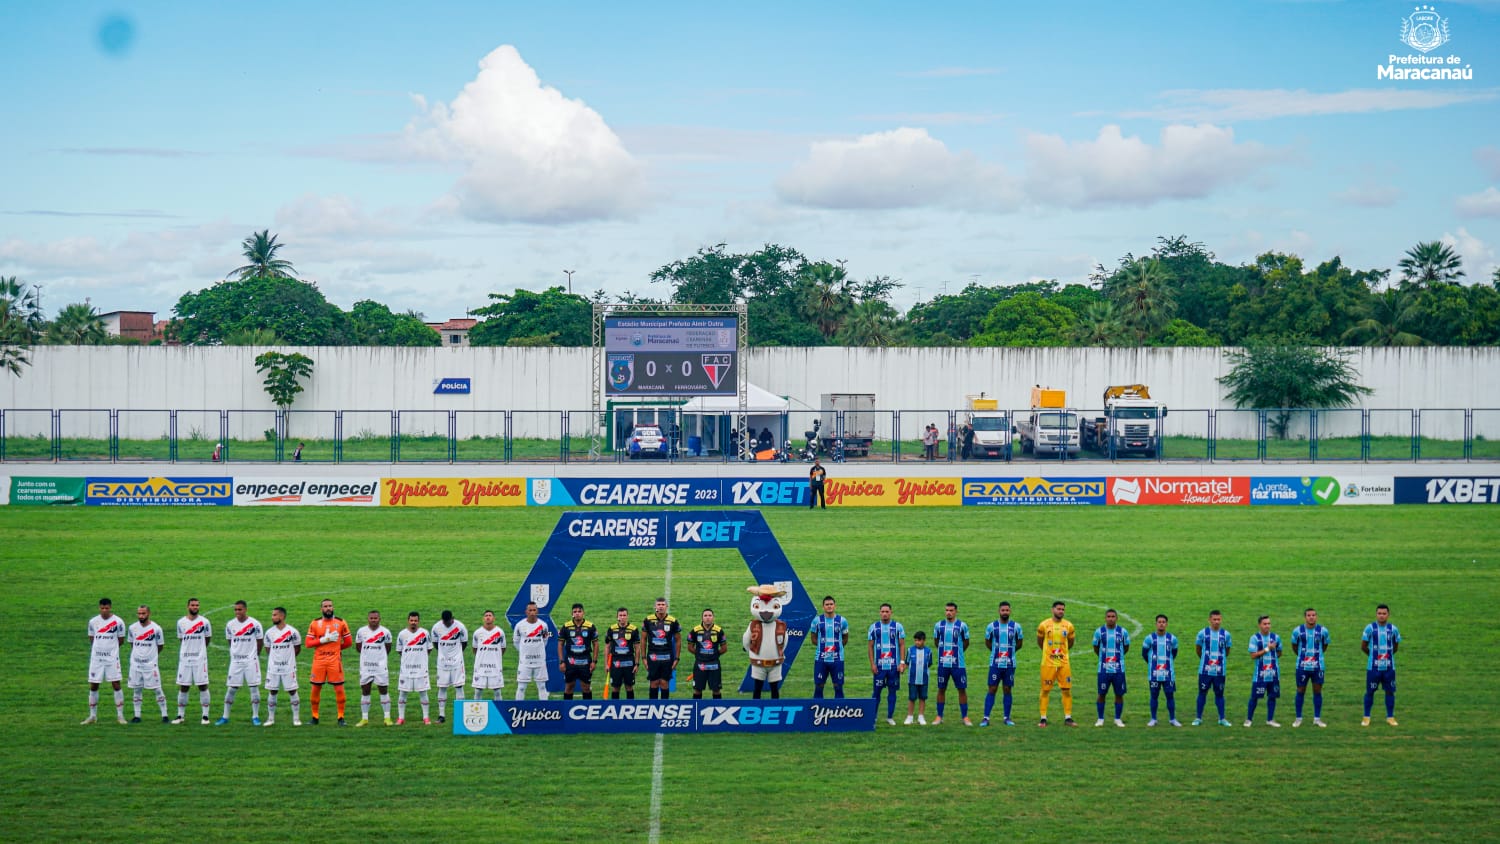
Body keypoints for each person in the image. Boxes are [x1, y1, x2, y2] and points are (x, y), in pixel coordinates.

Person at [305, 599, 353, 726]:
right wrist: (323, 640)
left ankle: (341, 717)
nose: (328, 608)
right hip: (319, 661)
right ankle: (314, 717)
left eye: (330, 606)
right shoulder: (315, 623)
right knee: (316, 688)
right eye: (325, 606)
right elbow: (308, 644)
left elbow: (348, 642)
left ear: (333, 607)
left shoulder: (341, 622)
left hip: (334, 661)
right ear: (321, 609)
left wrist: (336, 649)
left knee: (339, 689)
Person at [217, 600, 263, 726]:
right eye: (235, 610)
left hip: (250, 661)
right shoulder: (230, 625)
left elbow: (260, 641)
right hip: (236, 661)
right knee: (231, 688)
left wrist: (255, 655)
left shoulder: (255, 624)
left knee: (253, 687)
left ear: (245, 610)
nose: (237, 612)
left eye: (240, 609)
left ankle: (255, 716)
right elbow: (230, 641)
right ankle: (225, 717)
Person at [84, 598, 127, 725]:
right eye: (102, 608)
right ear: (99, 608)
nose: (104, 611)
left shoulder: (118, 622)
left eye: (106, 608)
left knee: (116, 684)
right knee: (93, 685)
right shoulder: (93, 622)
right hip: (96, 659)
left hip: (112, 658)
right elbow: (92, 638)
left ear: (110, 608)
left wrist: (111, 650)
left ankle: (120, 716)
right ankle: (92, 716)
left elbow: (121, 640)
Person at [981, 601, 1024, 727]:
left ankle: (1007, 717)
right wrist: (996, 652)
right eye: (1003, 610)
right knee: (992, 688)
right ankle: (986, 717)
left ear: (1010, 611)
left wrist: (1010, 653)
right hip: (995, 664)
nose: (1005, 612)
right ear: (999, 611)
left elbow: (1019, 643)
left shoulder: (1016, 627)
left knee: (1007, 689)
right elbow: (988, 642)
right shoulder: (991, 627)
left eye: (1007, 610)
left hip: (1010, 664)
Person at [1036, 601, 1077, 727]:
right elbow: (1040, 641)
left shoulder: (1069, 626)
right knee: (1045, 690)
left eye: (1063, 609)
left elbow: (1070, 642)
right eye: (1058, 609)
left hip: (1063, 664)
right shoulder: (1044, 625)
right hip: (1048, 664)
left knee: (1066, 689)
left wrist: (1062, 654)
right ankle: (1043, 718)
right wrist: (1048, 654)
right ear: (1052, 610)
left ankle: (1068, 718)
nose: (1061, 611)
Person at [172, 597, 212, 725]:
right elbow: (181, 639)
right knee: (183, 686)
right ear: (188, 606)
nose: (195, 607)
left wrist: (199, 651)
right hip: (185, 659)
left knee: (203, 685)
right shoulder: (181, 623)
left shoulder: (205, 622)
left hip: (200, 659)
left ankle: (205, 716)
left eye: (197, 605)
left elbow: (207, 639)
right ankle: (180, 715)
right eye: (193, 605)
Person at [1361, 603, 1401, 727]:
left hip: (1389, 668)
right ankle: (1366, 717)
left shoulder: (1393, 629)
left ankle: (1390, 717)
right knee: (1370, 692)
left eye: (1384, 613)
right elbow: (1363, 646)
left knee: (1390, 692)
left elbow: (1395, 647)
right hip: (1373, 668)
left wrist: (1386, 657)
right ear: (1376, 614)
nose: (1381, 616)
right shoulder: (1370, 628)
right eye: (1379, 613)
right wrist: (1373, 656)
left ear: (1388, 615)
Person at [127, 604, 169, 723]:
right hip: (135, 665)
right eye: (139, 613)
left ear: (148, 613)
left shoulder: (156, 629)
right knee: (137, 689)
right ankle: (137, 716)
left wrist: (151, 657)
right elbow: (132, 644)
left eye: (143, 613)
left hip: (150, 665)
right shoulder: (132, 628)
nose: (141, 616)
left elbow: (160, 646)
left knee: (157, 689)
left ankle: (164, 715)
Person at [932, 602, 972, 726]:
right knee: (941, 689)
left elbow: (966, 642)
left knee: (962, 689)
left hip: (958, 665)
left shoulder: (962, 626)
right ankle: (939, 716)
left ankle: (965, 717)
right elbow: (936, 642)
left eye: (951, 610)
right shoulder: (939, 625)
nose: (948, 612)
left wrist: (958, 653)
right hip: (943, 664)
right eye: (947, 610)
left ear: (956, 612)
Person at [262, 607, 302, 727]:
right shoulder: (269, 633)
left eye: (275, 615)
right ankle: (270, 718)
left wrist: (288, 659)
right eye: (272, 615)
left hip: (288, 667)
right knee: (272, 691)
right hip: (273, 668)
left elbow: (297, 648)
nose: (272, 617)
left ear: (282, 616)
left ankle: (296, 718)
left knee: (292, 690)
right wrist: (276, 660)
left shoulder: (292, 632)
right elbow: (268, 649)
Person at [867, 603, 906, 726]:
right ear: (880, 612)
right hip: (879, 667)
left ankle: (890, 717)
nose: (885, 614)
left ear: (891, 612)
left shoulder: (898, 627)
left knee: (892, 691)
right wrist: (872, 664)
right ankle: (873, 717)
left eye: (887, 611)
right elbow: (870, 646)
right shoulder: (874, 627)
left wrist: (902, 663)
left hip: (893, 667)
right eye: (882, 611)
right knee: (876, 692)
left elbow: (902, 645)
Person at [1291, 607, 1330, 728]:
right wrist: (1304, 658)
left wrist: (1316, 657)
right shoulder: (1298, 631)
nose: (1311, 617)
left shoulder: (1323, 631)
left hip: (1318, 666)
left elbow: (1324, 646)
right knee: (1300, 690)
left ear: (1316, 616)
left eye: (1313, 615)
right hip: (1302, 667)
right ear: (1305, 617)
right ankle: (1298, 718)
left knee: (1317, 691)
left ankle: (1317, 719)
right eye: (1309, 615)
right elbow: (1294, 646)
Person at [1193, 610, 1233, 727]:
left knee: (1219, 694)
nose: (1216, 622)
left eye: (1218, 619)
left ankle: (1222, 718)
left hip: (1220, 671)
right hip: (1205, 671)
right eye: (1214, 619)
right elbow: (1198, 649)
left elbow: (1227, 651)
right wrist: (1205, 661)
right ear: (1209, 620)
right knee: (1202, 693)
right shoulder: (1202, 633)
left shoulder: (1226, 635)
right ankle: (1198, 718)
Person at [1092, 608, 1130, 727]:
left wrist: (1118, 658)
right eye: (1108, 616)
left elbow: (1126, 647)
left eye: (1113, 616)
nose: (1111, 618)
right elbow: (1096, 648)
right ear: (1105, 618)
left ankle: (1117, 719)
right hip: (1103, 670)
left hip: (1119, 670)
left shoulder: (1123, 632)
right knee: (1101, 694)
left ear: (1116, 618)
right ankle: (1100, 719)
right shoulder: (1099, 632)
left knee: (1119, 694)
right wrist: (1103, 659)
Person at [355, 610, 394, 727]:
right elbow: (358, 648)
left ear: (379, 619)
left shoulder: (385, 632)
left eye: (375, 618)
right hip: (366, 666)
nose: (373, 620)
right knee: (365, 690)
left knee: (383, 690)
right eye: (371, 618)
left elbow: (388, 648)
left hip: (380, 667)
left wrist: (379, 659)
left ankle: (387, 717)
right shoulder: (361, 631)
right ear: (368, 619)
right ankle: (364, 718)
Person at [1141, 614, 1181, 727]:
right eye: (1159, 622)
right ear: (1156, 624)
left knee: (1170, 695)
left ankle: (1172, 719)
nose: (1161, 624)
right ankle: (1153, 719)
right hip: (1154, 674)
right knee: (1154, 696)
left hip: (1168, 674)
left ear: (1167, 624)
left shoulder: (1172, 639)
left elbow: (1174, 654)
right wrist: (1152, 665)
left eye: (1163, 622)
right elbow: (1144, 654)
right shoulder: (1149, 638)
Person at [432, 609, 469, 724]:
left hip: (457, 663)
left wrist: (457, 654)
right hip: (442, 663)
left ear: (452, 618)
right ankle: (441, 715)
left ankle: (460, 714)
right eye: (446, 622)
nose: (448, 624)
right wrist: (443, 654)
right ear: (443, 620)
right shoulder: (436, 628)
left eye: (449, 621)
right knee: (442, 687)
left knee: (459, 686)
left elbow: (464, 642)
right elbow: (435, 643)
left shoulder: (460, 627)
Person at [1245, 615, 1283, 727]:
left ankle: (1270, 720)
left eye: (1269, 623)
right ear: (1259, 625)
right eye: (1265, 624)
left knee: (1272, 697)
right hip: (1260, 675)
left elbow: (1280, 652)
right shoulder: (1255, 638)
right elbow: (1253, 655)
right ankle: (1249, 719)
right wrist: (1267, 649)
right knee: (1255, 697)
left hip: (1273, 674)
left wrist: (1273, 660)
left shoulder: (1276, 637)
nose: (1267, 626)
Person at [396, 611, 432, 725]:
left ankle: (426, 717)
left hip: (421, 669)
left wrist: (421, 659)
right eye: (411, 620)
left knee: (423, 692)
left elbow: (429, 649)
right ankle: (401, 718)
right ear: (408, 621)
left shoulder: (425, 633)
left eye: (415, 621)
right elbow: (399, 650)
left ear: (418, 621)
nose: (413, 623)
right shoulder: (402, 634)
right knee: (403, 693)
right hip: (406, 669)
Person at [810, 596, 848, 698]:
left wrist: (837, 648)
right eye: (827, 604)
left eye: (831, 604)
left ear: (834, 606)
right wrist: (822, 648)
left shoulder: (842, 621)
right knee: (819, 686)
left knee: (838, 686)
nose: (829, 606)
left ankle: (839, 711)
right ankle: (817, 710)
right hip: (821, 659)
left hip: (837, 659)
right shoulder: (816, 621)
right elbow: (813, 639)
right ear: (823, 607)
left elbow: (845, 638)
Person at [642, 598, 680, 700]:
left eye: (663, 604)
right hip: (652, 656)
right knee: (654, 682)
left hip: (667, 657)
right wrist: (643, 658)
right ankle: (652, 707)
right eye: (658, 604)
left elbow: (678, 641)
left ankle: (664, 707)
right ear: (655, 607)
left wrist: (676, 658)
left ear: (666, 606)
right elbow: (643, 639)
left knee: (664, 683)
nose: (661, 606)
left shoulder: (673, 621)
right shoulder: (648, 620)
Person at [559, 603, 598, 700]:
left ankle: (588, 710)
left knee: (586, 687)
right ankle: (567, 710)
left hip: (585, 661)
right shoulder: (566, 627)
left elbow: (596, 644)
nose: (577, 614)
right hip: (570, 661)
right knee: (569, 687)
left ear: (583, 613)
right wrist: (561, 661)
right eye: (575, 612)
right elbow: (560, 644)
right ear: (572, 614)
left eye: (579, 611)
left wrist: (594, 661)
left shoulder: (590, 627)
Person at [514, 602, 552, 700]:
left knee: (542, 687)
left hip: (540, 661)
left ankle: (544, 711)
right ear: (526, 611)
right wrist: (524, 653)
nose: (532, 612)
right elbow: (516, 642)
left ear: (537, 611)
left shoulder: (543, 625)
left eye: (534, 610)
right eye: (530, 610)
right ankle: (518, 710)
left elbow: (545, 641)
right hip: (525, 662)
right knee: (521, 687)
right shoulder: (519, 626)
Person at [688, 609, 728, 700]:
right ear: (702, 618)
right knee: (697, 689)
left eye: (710, 615)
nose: (707, 618)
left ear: (713, 618)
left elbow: (724, 648)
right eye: (705, 616)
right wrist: (699, 654)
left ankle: (717, 709)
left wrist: (714, 655)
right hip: (700, 664)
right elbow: (690, 647)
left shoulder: (719, 631)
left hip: (714, 664)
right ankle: (697, 709)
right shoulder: (695, 631)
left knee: (716, 689)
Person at [605, 607, 642, 699]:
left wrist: (637, 664)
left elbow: (637, 648)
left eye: (624, 615)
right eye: (620, 615)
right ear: (617, 617)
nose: (622, 617)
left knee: (629, 687)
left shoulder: (633, 629)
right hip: (615, 662)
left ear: (627, 616)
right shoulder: (611, 629)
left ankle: (630, 708)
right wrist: (606, 664)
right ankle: (615, 708)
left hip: (629, 662)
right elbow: (607, 647)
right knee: (615, 687)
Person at [471, 610, 508, 702]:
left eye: (490, 615)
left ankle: (499, 713)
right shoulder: (477, 633)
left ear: (493, 618)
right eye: (486, 615)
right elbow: (475, 649)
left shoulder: (500, 632)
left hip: (495, 666)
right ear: (483, 618)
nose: (488, 617)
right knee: (478, 691)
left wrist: (496, 657)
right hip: (480, 667)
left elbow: (503, 648)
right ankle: (477, 713)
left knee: (497, 691)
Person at [904, 631, 932, 725]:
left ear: (923, 640)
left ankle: (921, 716)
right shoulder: (910, 650)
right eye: (915, 640)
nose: (917, 642)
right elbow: (907, 663)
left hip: (924, 679)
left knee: (922, 698)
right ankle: (910, 717)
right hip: (912, 679)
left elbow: (929, 664)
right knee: (912, 698)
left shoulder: (928, 651)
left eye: (919, 640)